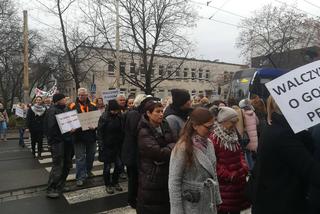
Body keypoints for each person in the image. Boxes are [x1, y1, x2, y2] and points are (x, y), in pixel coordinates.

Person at [251, 96, 320, 214]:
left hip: (271, 200)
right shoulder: (284, 135)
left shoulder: (274, 127)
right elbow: (310, 170)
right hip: (281, 203)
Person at [169, 107, 222, 214]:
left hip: (209, 202)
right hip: (191, 205)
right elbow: (174, 181)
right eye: (208, 127)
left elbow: (213, 173)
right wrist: (177, 211)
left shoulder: (209, 144)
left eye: (213, 126)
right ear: (195, 125)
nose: (211, 131)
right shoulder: (182, 147)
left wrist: (217, 198)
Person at [137, 99, 176, 214]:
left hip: (165, 172)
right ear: (148, 113)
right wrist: (172, 147)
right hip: (152, 175)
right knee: (152, 205)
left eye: (162, 111)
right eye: (157, 111)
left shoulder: (164, 124)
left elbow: (176, 140)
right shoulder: (144, 130)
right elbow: (158, 153)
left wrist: (171, 146)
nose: (161, 114)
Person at [209, 107, 250, 214]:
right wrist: (229, 175)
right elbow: (213, 163)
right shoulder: (214, 138)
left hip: (237, 182)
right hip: (225, 185)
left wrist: (244, 165)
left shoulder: (233, 134)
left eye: (236, 121)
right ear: (224, 121)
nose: (235, 124)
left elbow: (239, 151)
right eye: (232, 122)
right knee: (226, 209)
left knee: (236, 209)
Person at [121, 94, 155, 208]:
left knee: (135, 177)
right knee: (133, 178)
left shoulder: (133, 113)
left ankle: (133, 198)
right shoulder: (134, 114)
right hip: (132, 152)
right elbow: (136, 132)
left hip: (131, 151)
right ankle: (132, 200)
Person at [46, 93, 73, 199]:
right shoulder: (52, 111)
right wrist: (66, 131)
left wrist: (73, 128)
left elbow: (70, 122)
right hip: (58, 142)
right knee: (57, 165)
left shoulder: (65, 109)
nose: (65, 100)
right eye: (63, 99)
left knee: (67, 163)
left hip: (67, 141)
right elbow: (51, 129)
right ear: (58, 100)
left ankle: (61, 185)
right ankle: (51, 188)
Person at [69, 88, 97, 187]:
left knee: (91, 155)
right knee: (80, 158)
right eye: (80, 95)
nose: (81, 96)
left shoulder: (93, 105)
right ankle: (80, 177)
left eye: (83, 95)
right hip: (78, 136)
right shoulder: (72, 106)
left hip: (91, 135)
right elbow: (68, 119)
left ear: (87, 95)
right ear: (78, 95)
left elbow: (98, 119)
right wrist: (70, 128)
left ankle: (87, 171)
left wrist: (96, 126)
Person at [97, 100, 124, 194]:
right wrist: (101, 145)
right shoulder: (104, 117)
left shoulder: (120, 117)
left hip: (117, 145)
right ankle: (108, 184)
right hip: (107, 146)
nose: (115, 112)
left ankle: (115, 182)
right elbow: (100, 132)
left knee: (119, 165)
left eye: (116, 110)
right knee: (107, 167)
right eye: (113, 110)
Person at [239, 99, 259, 170]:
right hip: (254, 138)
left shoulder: (243, 114)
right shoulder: (253, 113)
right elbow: (257, 123)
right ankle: (254, 167)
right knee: (252, 154)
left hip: (247, 138)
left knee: (247, 155)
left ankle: (251, 169)